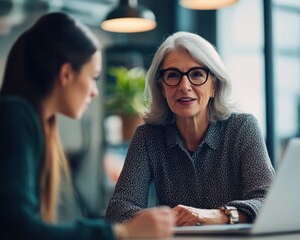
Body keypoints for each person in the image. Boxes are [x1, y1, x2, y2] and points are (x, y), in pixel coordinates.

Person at [0, 12, 173, 240]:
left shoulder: (26, 119)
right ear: (65, 74)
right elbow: (16, 230)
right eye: (93, 77)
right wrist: (122, 232)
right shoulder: (13, 116)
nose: (95, 92)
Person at [105, 31, 275, 226]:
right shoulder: (148, 137)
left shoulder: (242, 128)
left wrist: (217, 215)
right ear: (162, 88)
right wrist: (168, 219)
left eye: (196, 74)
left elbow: (268, 200)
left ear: (214, 85)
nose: (184, 86)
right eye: (173, 75)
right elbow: (118, 210)